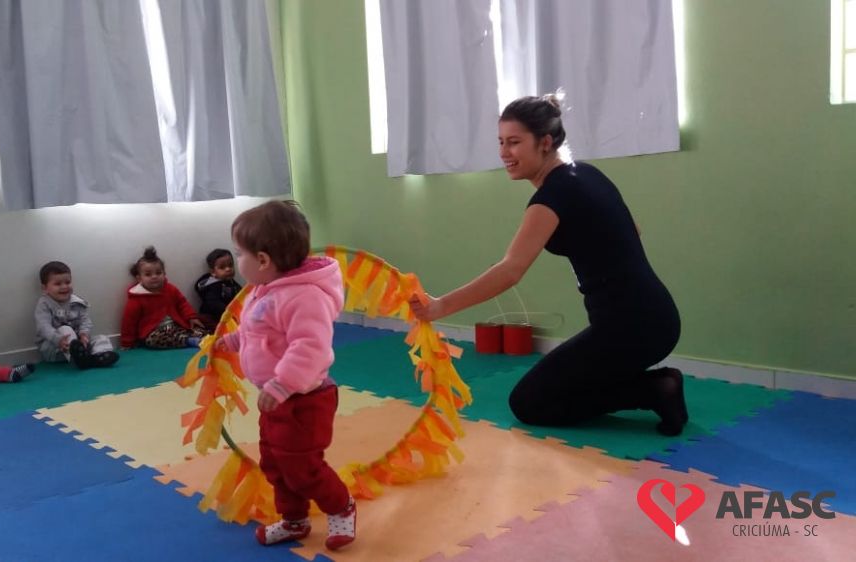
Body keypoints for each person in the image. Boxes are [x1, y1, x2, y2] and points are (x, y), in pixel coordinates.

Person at [410, 94, 687, 436]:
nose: (504, 152)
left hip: (633, 329)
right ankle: (654, 385)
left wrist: (440, 307)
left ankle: (654, 389)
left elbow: (510, 270)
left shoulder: (551, 197)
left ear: (544, 143)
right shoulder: (585, 174)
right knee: (563, 382)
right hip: (656, 317)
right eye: (500, 142)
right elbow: (634, 230)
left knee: (529, 403)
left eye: (514, 142)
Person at [215, 200, 357, 550]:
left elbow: (310, 346)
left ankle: (341, 506)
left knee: (303, 466)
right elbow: (260, 329)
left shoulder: (305, 296)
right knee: (275, 462)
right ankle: (294, 519)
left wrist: (283, 384)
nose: (238, 261)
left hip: (305, 399)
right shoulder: (267, 288)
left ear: (263, 260)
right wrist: (233, 340)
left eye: (240, 254)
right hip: (275, 397)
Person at [35, 261, 119, 369]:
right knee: (65, 329)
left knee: (101, 338)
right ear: (45, 288)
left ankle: (98, 357)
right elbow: (43, 327)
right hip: (55, 348)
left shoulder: (77, 302)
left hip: (79, 345)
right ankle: (83, 358)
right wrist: (58, 339)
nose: (64, 286)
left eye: (67, 282)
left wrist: (84, 334)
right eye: (58, 284)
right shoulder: (44, 304)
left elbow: (85, 321)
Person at [120, 246, 204, 349]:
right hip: (154, 332)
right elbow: (129, 322)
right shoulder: (136, 298)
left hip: (176, 326)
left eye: (158, 273)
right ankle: (188, 341)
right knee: (153, 340)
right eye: (148, 274)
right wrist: (127, 343)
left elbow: (182, 303)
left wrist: (191, 317)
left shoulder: (170, 289)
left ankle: (206, 339)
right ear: (139, 278)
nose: (154, 276)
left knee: (199, 328)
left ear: (164, 274)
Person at [193, 248, 242, 331]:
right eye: (222, 267)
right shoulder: (212, 286)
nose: (228, 269)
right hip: (211, 316)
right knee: (219, 328)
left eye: (230, 265)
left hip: (226, 315)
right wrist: (229, 312)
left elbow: (240, 293)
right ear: (213, 272)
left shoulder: (231, 282)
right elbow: (214, 304)